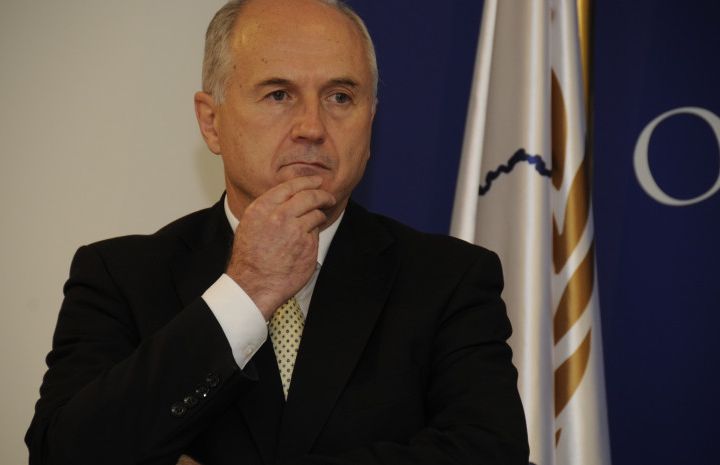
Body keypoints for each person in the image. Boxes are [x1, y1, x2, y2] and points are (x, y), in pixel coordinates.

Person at [26, 0, 529, 464]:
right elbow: (63, 453)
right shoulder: (121, 276)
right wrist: (245, 291)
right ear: (211, 122)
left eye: (340, 96)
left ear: (371, 119)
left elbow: (492, 452)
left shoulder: (450, 278)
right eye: (279, 94)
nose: (312, 126)